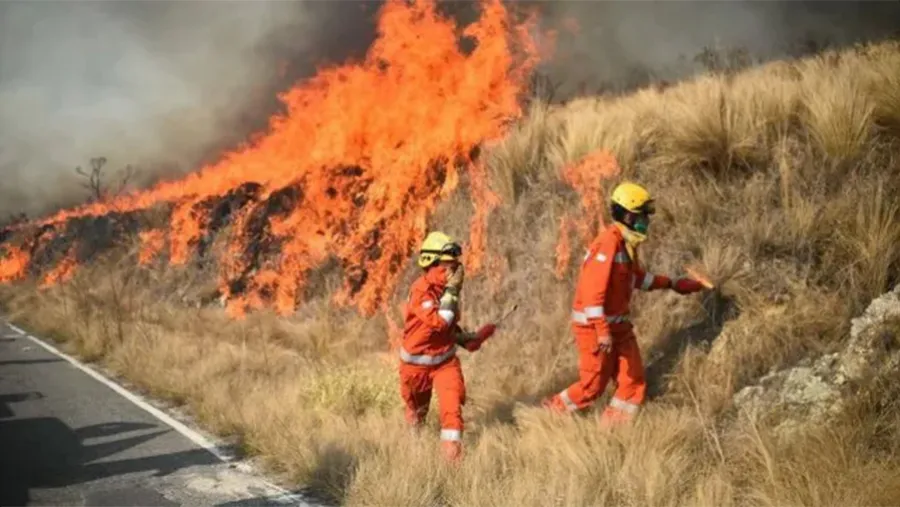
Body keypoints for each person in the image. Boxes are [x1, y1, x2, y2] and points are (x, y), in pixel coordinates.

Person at [542, 182, 708, 426]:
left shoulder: (626, 244)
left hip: (619, 327)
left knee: (633, 380)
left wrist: (673, 284)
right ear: (628, 215)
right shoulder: (608, 243)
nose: (646, 222)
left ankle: (613, 431)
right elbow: (592, 294)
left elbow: (638, 278)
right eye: (642, 215)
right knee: (593, 386)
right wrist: (601, 331)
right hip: (595, 329)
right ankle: (551, 413)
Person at [399, 231, 497, 462]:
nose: (452, 273)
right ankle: (413, 455)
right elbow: (440, 322)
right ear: (430, 264)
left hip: (445, 363)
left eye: (454, 267)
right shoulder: (420, 291)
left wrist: (467, 339)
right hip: (416, 369)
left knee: (452, 413)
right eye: (446, 268)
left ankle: (452, 468)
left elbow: (449, 327)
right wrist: (453, 290)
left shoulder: (444, 289)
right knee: (417, 415)